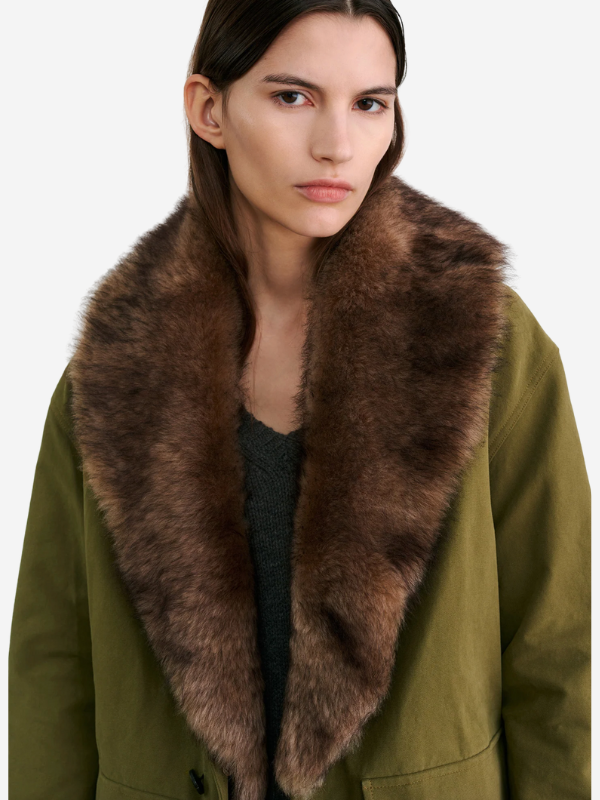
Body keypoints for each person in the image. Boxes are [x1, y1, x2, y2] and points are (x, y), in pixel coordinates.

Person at [8, 1, 590, 799]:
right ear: (209, 110)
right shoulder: (117, 364)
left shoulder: (483, 339)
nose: (336, 145)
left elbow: (554, 649)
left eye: (369, 103)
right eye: (293, 96)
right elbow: (53, 664)